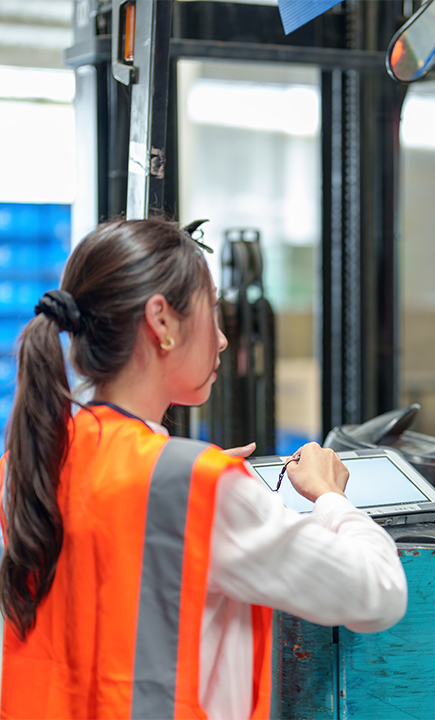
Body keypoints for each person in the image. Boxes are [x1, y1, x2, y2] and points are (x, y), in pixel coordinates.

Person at [0, 217, 407, 720]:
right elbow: (379, 592)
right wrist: (329, 496)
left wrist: (189, 475)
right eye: (211, 311)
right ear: (162, 322)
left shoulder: (25, 463)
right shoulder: (196, 487)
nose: (220, 339)